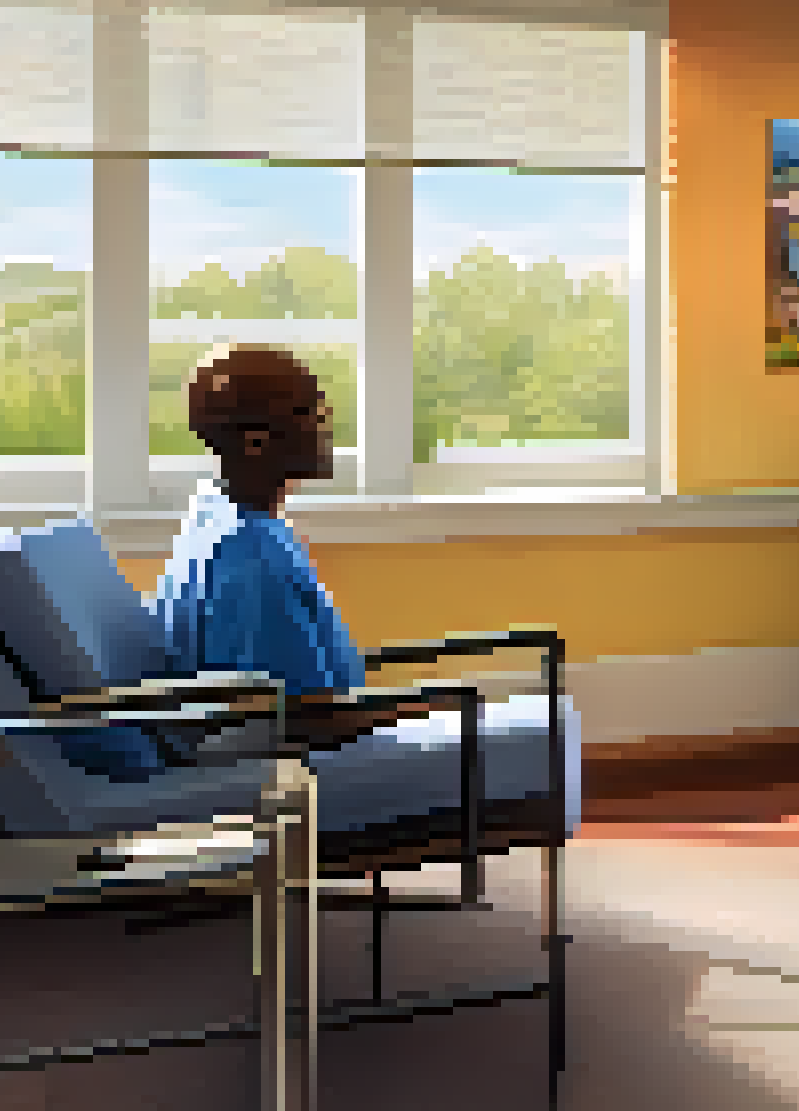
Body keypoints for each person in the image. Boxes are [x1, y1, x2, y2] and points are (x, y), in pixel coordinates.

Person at [147, 343, 572, 856]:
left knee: (525, 712)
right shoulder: (253, 560)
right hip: (290, 754)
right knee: (537, 719)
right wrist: (423, 705)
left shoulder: (218, 515)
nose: (327, 424)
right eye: (311, 412)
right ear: (257, 441)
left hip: (260, 735)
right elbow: (308, 718)